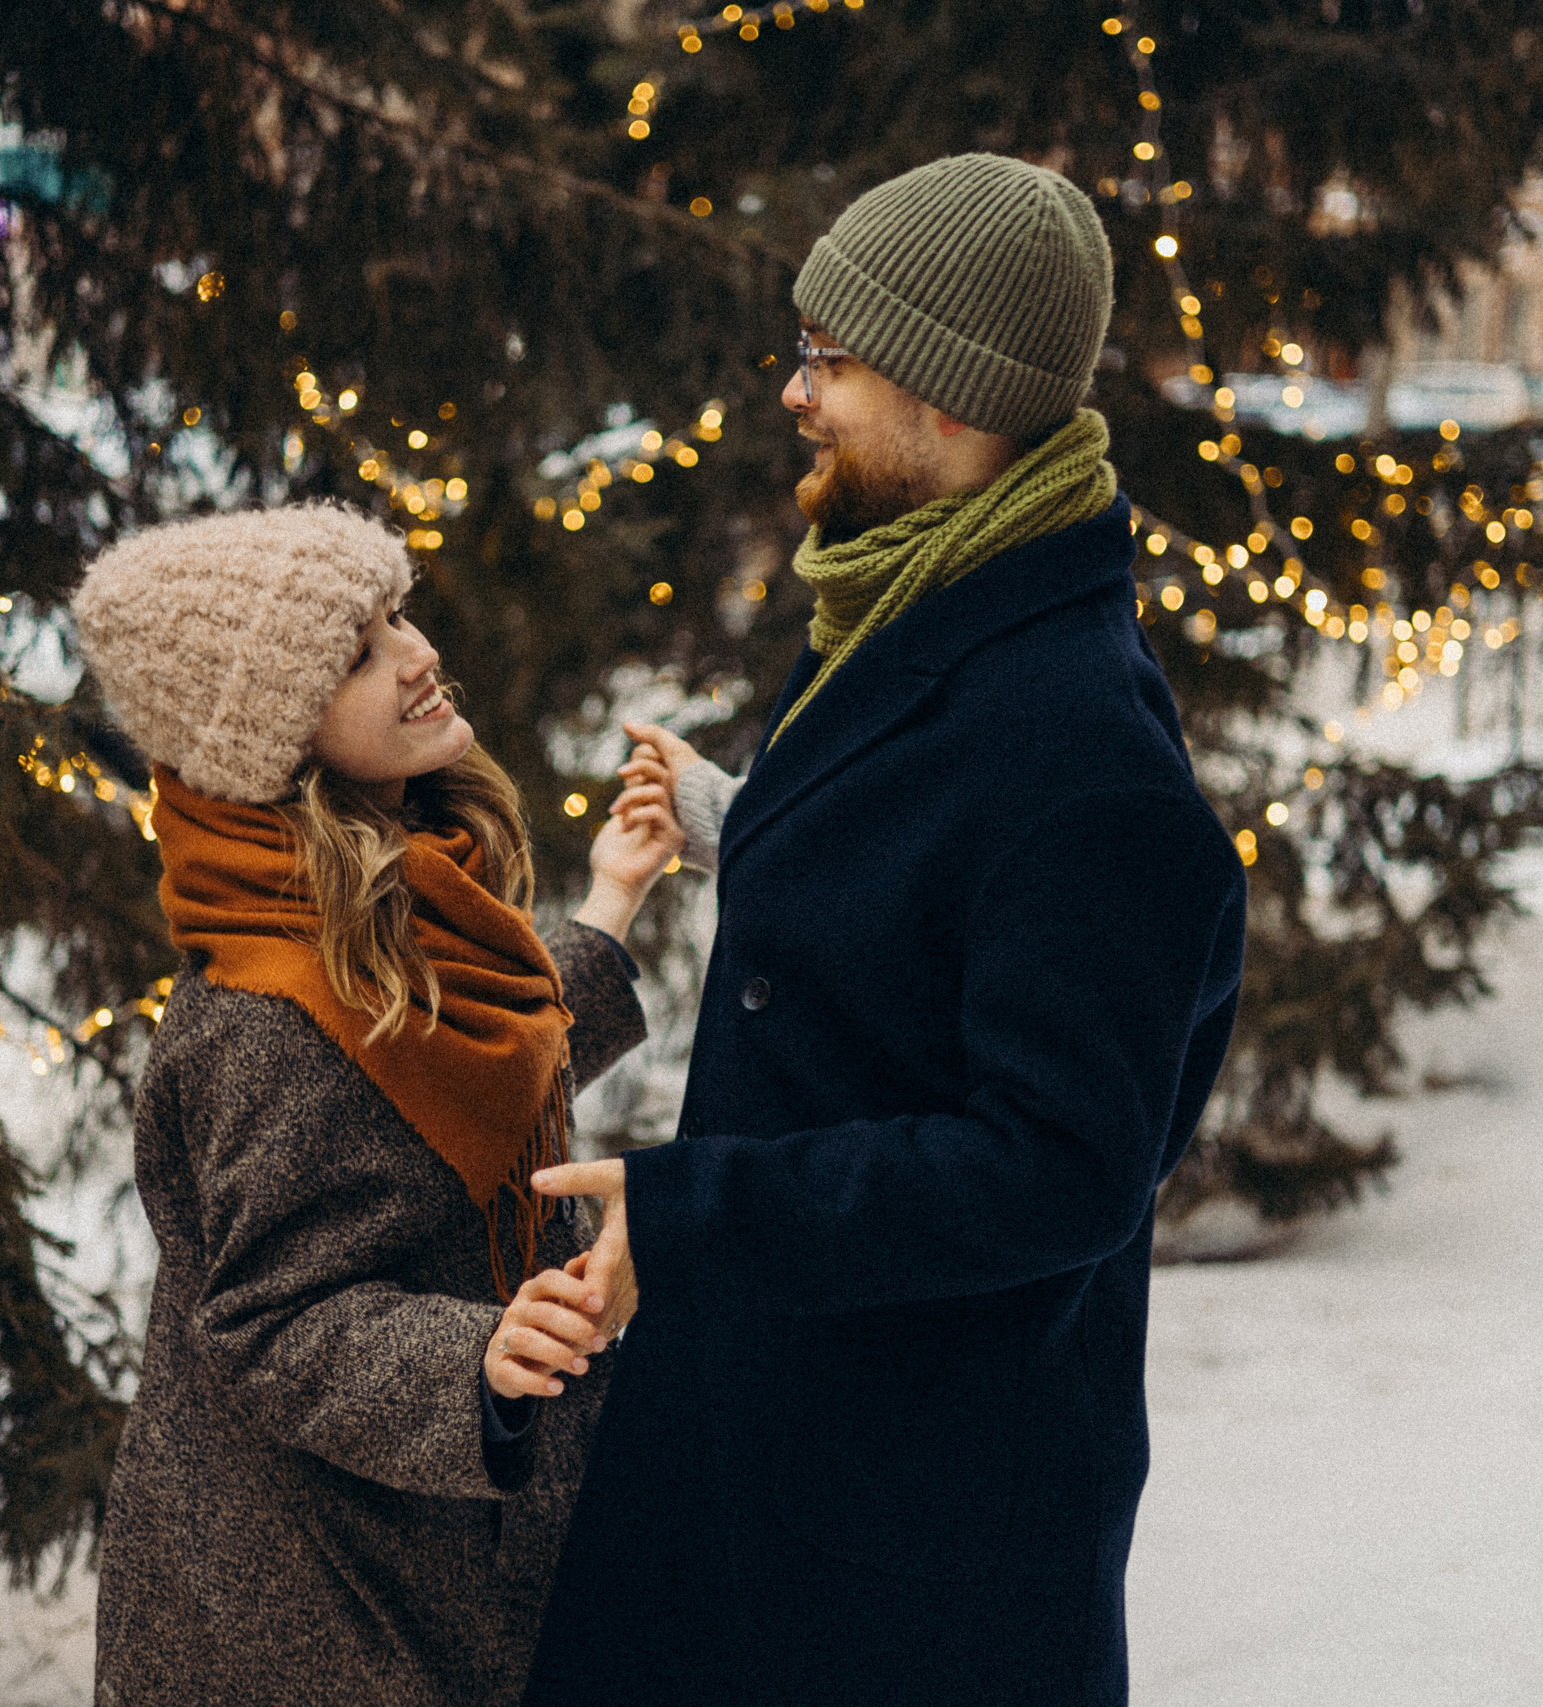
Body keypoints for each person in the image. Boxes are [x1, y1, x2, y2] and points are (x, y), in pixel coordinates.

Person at [525, 153, 1249, 1706]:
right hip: (788, 1445)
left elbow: (1060, 1162)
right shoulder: (925, 594)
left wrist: (701, 1214)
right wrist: (750, 826)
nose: (795, 393)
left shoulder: (1085, 749)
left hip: (910, 1541)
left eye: (830, 361)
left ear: (954, 400)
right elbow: (940, 890)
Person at [69, 503, 682, 1707]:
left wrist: (610, 900)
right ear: (273, 737)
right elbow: (274, 1317)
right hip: (322, 1606)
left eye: (397, 615)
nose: (418, 653)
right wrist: (474, 1359)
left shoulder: (393, 897)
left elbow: (453, 1071)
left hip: (421, 1565)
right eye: (357, 653)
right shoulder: (263, 1010)